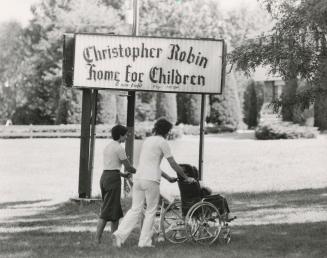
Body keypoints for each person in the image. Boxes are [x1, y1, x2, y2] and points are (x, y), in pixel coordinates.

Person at [112, 117, 195, 248]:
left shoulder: (148, 141)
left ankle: (119, 234)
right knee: (151, 211)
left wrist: (168, 178)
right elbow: (172, 163)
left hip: (138, 178)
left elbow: (151, 163)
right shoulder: (163, 142)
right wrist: (186, 177)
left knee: (135, 209)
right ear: (167, 131)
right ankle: (144, 243)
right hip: (151, 180)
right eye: (169, 131)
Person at [95, 124, 136, 244]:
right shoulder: (119, 148)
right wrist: (140, 171)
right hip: (113, 180)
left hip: (105, 177)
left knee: (115, 211)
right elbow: (128, 166)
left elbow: (111, 166)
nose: (126, 137)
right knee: (107, 210)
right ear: (120, 135)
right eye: (125, 135)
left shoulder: (108, 146)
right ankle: (97, 239)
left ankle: (115, 238)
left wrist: (123, 175)